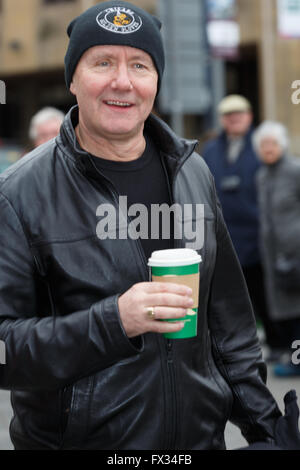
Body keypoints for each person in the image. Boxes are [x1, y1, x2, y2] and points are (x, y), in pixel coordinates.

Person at [0, 1, 281, 450]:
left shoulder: (194, 172)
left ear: (156, 81)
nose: (122, 81)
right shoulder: (17, 194)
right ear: (73, 78)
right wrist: (116, 321)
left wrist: (268, 428)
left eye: (140, 65)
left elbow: (231, 329)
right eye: (102, 62)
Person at [201, 95, 284, 360]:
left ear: (249, 116)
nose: (233, 120)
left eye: (239, 115)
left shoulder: (262, 144)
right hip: (225, 233)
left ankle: (278, 343)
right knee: (232, 297)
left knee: (265, 293)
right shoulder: (211, 150)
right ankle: (239, 347)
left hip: (258, 234)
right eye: (228, 116)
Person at [253, 120, 300, 377]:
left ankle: (297, 362)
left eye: (272, 144)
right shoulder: (261, 176)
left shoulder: (295, 170)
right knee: (287, 313)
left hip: (296, 254)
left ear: (281, 145)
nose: (267, 149)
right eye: (263, 145)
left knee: (298, 311)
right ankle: (292, 355)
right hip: (274, 257)